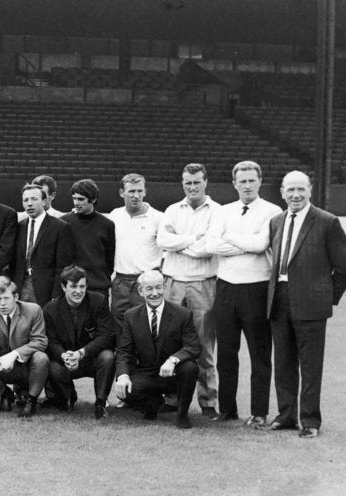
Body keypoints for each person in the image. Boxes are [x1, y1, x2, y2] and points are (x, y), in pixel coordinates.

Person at [262, 171, 346, 438]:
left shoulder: (327, 221)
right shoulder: (276, 221)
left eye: (301, 189)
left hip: (311, 305)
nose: (295, 195)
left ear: (310, 190)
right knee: (283, 363)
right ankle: (286, 416)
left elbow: (342, 267)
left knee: (310, 365)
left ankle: (310, 420)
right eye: (290, 190)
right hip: (279, 300)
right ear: (282, 192)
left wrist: (325, 296)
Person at [204, 161, 281, 426]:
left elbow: (261, 244)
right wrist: (245, 243)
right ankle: (227, 409)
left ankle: (259, 412)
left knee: (260, 354)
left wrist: (230, 237)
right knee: (226, 353)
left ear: (260, 181)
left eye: (251, 180)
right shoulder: (224, 211)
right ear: (234, 183)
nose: (247, 185)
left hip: (256, 289)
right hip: (225, 288)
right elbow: (211, 243)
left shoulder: (272, 211)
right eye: (242, 181)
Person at [157, 163, 220, 420]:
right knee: (170, 341)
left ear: (205, 182)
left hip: (203, 282)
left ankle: (208, 401)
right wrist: (195, 239)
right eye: (187, 182)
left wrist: (180, 242)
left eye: (196, 182)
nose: (192, 187)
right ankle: (171, 398)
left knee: (204, 344)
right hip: (173, 281)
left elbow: (209, 247)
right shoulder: (172, 210)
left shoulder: (217, 211)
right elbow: (163, 241)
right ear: (182, 183)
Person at [114, 270, 201, 429]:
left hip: (173, 375)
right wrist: (123, 376)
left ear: (164, 288)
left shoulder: (182, 314)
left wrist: (173, 360)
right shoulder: (131, 316)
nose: (155, 293)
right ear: (141, 291)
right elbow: (124, 351)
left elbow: (194, 346)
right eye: (149, 289)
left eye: (158, 288)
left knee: (190, 367)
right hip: (147, 372)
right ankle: (152, 405)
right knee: (123, 387)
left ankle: (182, 415)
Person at [43, 265, 115, 419]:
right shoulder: (50, 309)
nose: (78, 291)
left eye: (82, 286)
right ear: (63, 287)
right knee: (52, 366)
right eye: (73, 286)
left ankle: (101, 403)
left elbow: (106, 336)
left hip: (90, 357)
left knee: (108, 356)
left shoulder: (99, 301)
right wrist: (64, 356)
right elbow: (51, 341)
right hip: (66, 360)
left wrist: (81, 353)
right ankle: (68, 398)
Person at [0, 276, 48, 418]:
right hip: (2, 367)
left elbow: (40, 341)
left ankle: (31, 401)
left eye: (6, 298)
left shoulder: (33, 310)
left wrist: (14, 355)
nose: (2, 303)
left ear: (16, 297)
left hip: (27, 365)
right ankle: (5, 395)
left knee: (41, 358)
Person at [107, 173, 163, 332]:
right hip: (121, 281)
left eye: (140, 191)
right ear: (121, 193)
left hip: (146, 281)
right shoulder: (115, 215)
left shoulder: (158, 217)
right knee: (120, 326)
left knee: (145, 327)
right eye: (131, 191)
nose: (136, 196)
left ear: (145, 192)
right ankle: (123, 357)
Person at [13, 183, 74, 306]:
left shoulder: (60, 227)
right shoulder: (18, 227)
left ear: (44, 201)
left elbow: (63, 266)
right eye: (25, 200)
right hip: (20, 288)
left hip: (45, 290)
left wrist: (56, 295)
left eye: (34, 199)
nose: (29, 203)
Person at [61, 179, 114, 299]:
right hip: (72, 286)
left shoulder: (107, 224)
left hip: (98, 287)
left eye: (80, 199)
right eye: (74, 198)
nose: (76, 203)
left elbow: (110, 258)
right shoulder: (64, 222)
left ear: (93, 199)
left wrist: (101, 278)